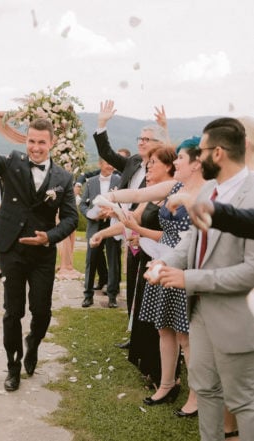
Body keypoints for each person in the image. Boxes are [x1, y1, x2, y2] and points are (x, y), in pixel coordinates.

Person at [154, 117, 254, 440]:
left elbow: (251, 271)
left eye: (202, 151)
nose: (197, 158)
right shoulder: (209, 189)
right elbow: (190, 244)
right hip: (199, 314)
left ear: (219, 153)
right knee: (206, 390)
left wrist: (189, 279)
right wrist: (163, 263)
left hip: (238, 318)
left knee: (243, 401)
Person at [0, 117, 79, 392]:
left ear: (52, 143)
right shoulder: (12, 162)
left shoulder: (63, 179)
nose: (36, 147)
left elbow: (70, 219)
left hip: (42, 253)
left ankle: (33, 343)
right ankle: (13, 366)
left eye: (41, 142)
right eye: (31, 141)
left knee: (41, 311)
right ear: (26, 141)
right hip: (12, 248)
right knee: (12, 311)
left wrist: (49, 237)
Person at [107, 138, 205, 417]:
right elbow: (138, 195)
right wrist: (109, 199)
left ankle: (196, 395)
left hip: (183, 267)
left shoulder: (206, 193)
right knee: (164, 328)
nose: (176, 163)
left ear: (197, 163)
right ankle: (166, 383)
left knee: (186, 336)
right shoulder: (174, 186)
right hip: (160, 262)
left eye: (181, 159)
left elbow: (191, 239)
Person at [91, 146, 176, 387]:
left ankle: (166, 375)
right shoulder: (151, 194)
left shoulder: (174, 193)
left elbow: (172, 234)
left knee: (163, 322)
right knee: (145, 317)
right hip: (146, 260)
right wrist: (106, 231)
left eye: (154, 164)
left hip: (166, 262)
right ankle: (150, 367)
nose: (148, 168)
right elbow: (133, 220)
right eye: (147, 165)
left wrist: (137, 230)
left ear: (169, 166)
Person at [94, 100, 168, 349]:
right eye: (140, 137)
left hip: (147, 229)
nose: (141, 141)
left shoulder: (163, 173)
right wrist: (102, 125)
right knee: (132, 280)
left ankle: (147, 336)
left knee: (146, 283)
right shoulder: (133, 162)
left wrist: (165, 129)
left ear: (159, 145)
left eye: (148, 139)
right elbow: (107, 154)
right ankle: (134, 332)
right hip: (126, 227)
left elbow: (142, 199)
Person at [79, 158, 121, 308]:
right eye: (107, 163)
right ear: (100, 164)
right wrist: (91, 214)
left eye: (111, 163)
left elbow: (124, 202)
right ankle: (88, 295)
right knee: (91, 260)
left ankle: (112, 296)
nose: (110, 165)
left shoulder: (119, 180)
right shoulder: (91, 182)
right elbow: (83, 203)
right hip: (95, 225)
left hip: (112, 225)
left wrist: (113, 212)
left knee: (113, 261)